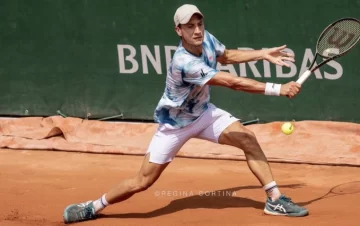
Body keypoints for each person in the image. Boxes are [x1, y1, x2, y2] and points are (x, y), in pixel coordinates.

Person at [63, 4, 308, 224]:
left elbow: (227, 56)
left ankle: (274, 199)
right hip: (175, 125)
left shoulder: (206, 39)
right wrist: (279, 88)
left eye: (200, 24)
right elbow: (233, 83)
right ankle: (94, 206)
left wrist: (262, 53)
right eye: (190, 26)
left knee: (248, 139)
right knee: (142, 181)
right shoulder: (184, 62)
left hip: (203, 114)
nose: (197, 30)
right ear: (179, 31)